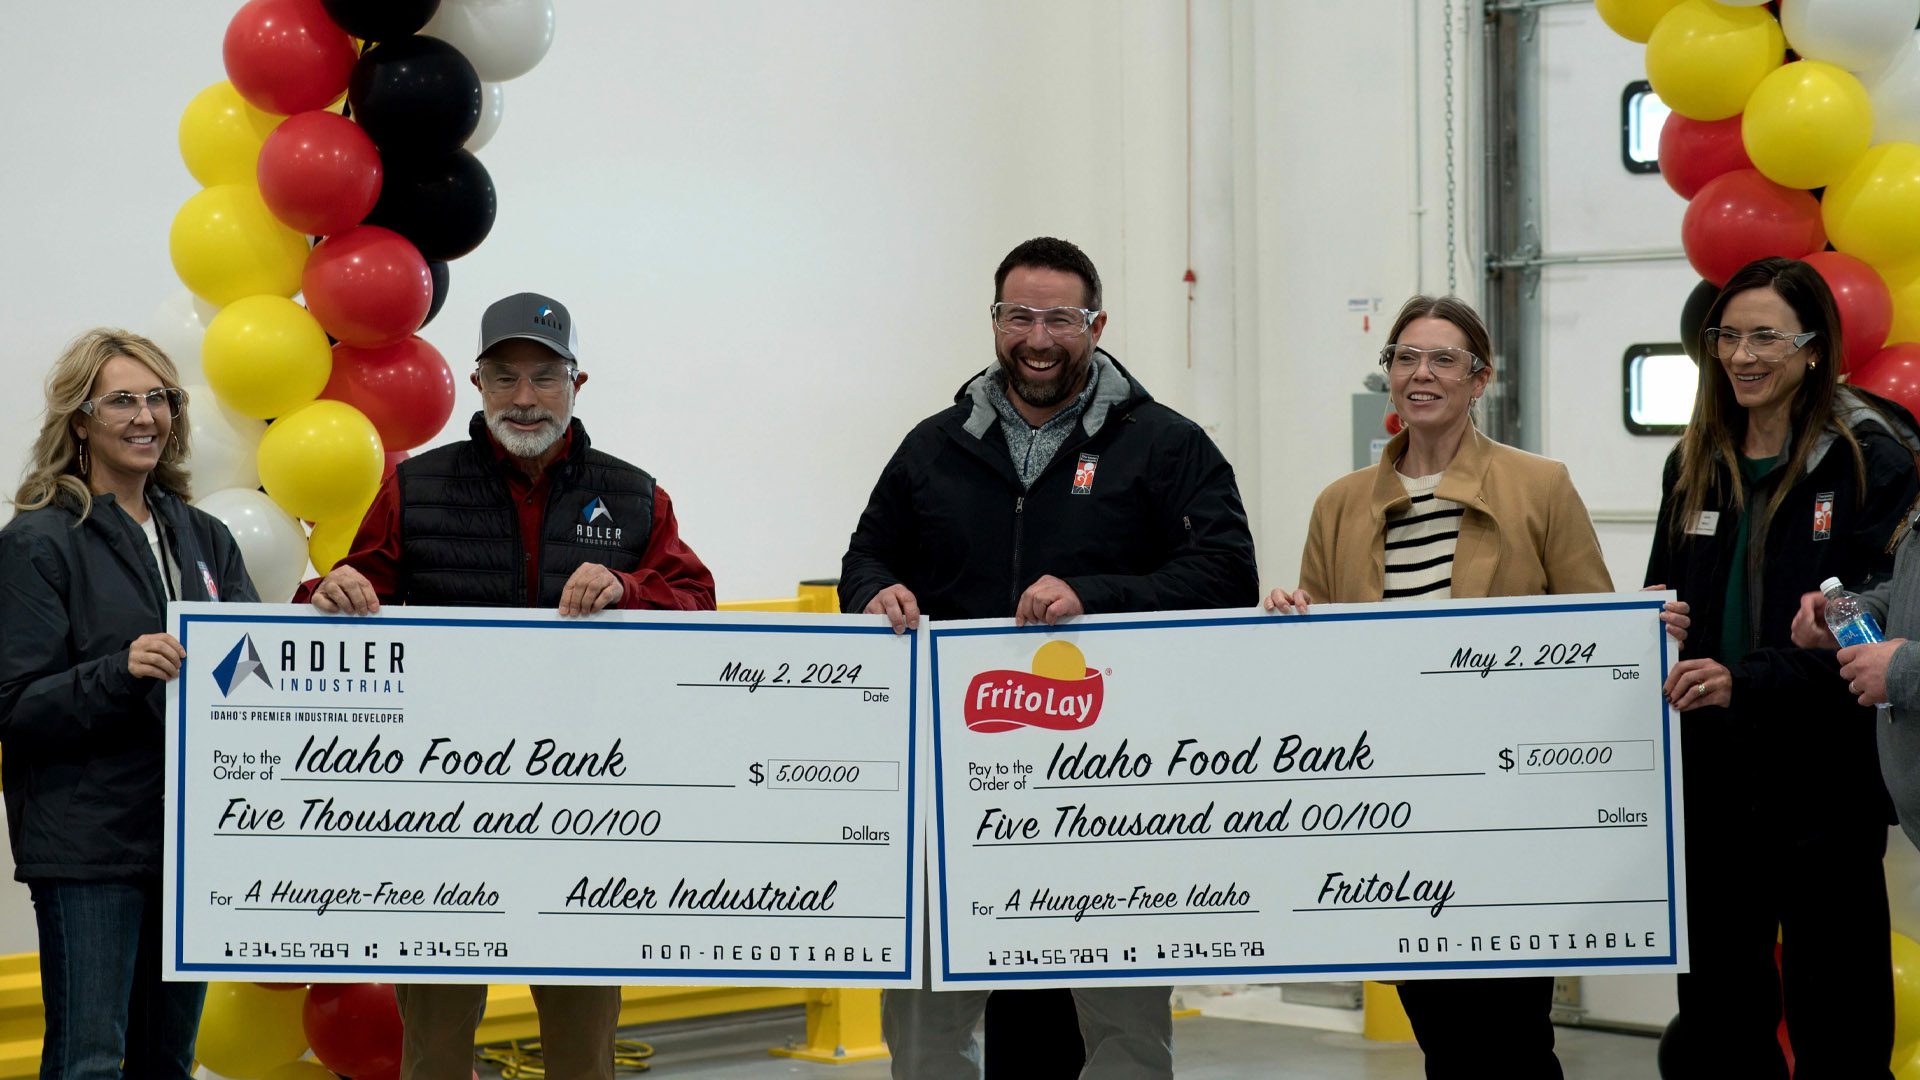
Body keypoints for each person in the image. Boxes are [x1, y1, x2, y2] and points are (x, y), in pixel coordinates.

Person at [841, 236, 1258, 1079]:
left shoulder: (1166, 445)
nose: (1038, 337)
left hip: (1107, 785)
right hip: (955, 784)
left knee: (1125, 1020)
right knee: (925, 1023)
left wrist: (1093, 597)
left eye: (1060, 318)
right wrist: (877, 593)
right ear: (995, 321)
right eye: (1019, 316)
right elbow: (866, 558)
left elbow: (1227, 573)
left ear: (1096, 325)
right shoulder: (933, 445)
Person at [310, 292, 716, 1080]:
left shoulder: (636, 495)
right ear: (477, 384)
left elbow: (696, 601)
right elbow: (352, 591)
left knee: (582, 1051)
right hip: (442, 820)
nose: (524, 399)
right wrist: (332, 592)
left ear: (578, 383)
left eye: (543, 377)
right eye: (504, 378)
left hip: (588, 817)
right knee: (432, 1049)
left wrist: (629, 589)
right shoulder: (415, 488)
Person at [1265, 295, 1616, 1080]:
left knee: (1515, 1034)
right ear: (1387, 374)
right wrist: (1292, 620)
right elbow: (1318, 665)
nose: (1421, 374)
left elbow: (1594, 635)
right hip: (1396, 807)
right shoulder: (1340, 503)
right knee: (1442, 1034)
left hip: (1506, 807)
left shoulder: (1540, 485)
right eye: (1404, 358)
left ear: (1479, 378)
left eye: (1444, 360)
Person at [1654, 257, 1915, 1080]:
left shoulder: (1875, 455)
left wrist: (1784, 653)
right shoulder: (1694, 459)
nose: (1743, 356)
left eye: (1766, 336)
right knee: (1722, 1020)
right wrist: (1652, 619)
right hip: (1712, 780)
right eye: (1728, 336)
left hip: (1822, 784)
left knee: (1838, 1021)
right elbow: (1664, 584)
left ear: (1812, 349)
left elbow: (1885, 627)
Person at [0, 329, 260, 1079]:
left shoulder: (204, 536)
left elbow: (250, 671)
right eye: (122, 400)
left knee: (167, 1062)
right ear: (79, 420)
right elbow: (13, 704)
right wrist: (122, 670)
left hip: (191, 843)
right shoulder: (40, 542)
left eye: (160, 399)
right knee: (90, 1062)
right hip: (89, 848)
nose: (147, 416)